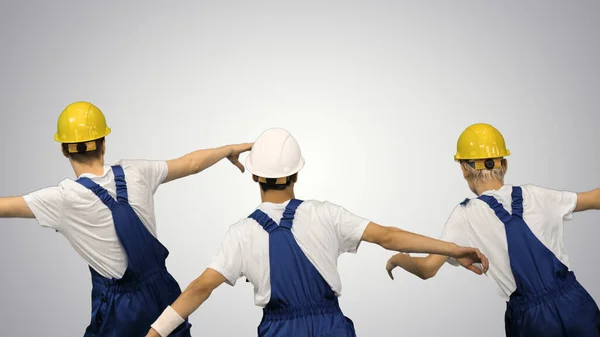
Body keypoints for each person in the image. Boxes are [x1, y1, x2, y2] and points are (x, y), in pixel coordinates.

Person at [145, 127, 489, 337]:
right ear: (297, 174)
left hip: (279, 330)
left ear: (253, 176)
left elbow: (199, 288)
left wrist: (154, 333)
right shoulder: (326, 215)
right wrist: (451, 248)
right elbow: (387, 236)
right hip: (332, 329)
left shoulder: (241, 234)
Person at [0, 101, 253, 337]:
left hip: (121, 312)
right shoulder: (137, 172)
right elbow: (192, 163)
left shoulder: (63, 199)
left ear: (65, 150)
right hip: (165, 295)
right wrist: (228, 150)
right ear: (103, 144)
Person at [385, 123, 600, 336]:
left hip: (532, 322)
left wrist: (400, 259)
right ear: (504, 165)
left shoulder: (465, 215)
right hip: (576, 305)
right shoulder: (537, 195)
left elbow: (428, 268)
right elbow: (595, 198)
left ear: (463, 169)